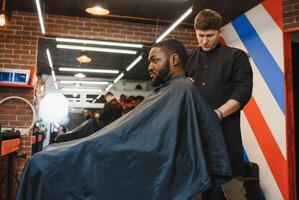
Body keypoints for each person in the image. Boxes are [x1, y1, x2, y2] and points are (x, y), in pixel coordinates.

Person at [16, 39, 231, 200]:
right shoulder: (170, 91)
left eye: (154, 60)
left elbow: (166, 142)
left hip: (134, 157)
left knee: (41, 164)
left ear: (174, 59)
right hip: (121, 148)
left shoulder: (182, 91)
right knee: (46, 159)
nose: (149, 66)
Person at [186, 9, 253, 199]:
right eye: (200, 35)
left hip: (227, 140)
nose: (204, 41)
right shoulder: (189, 61)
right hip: (197, 145)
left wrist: (218, 114)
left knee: (233, 194)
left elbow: (243, 92)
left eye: (210, 35)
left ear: (220, 32)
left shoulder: (236, 57)